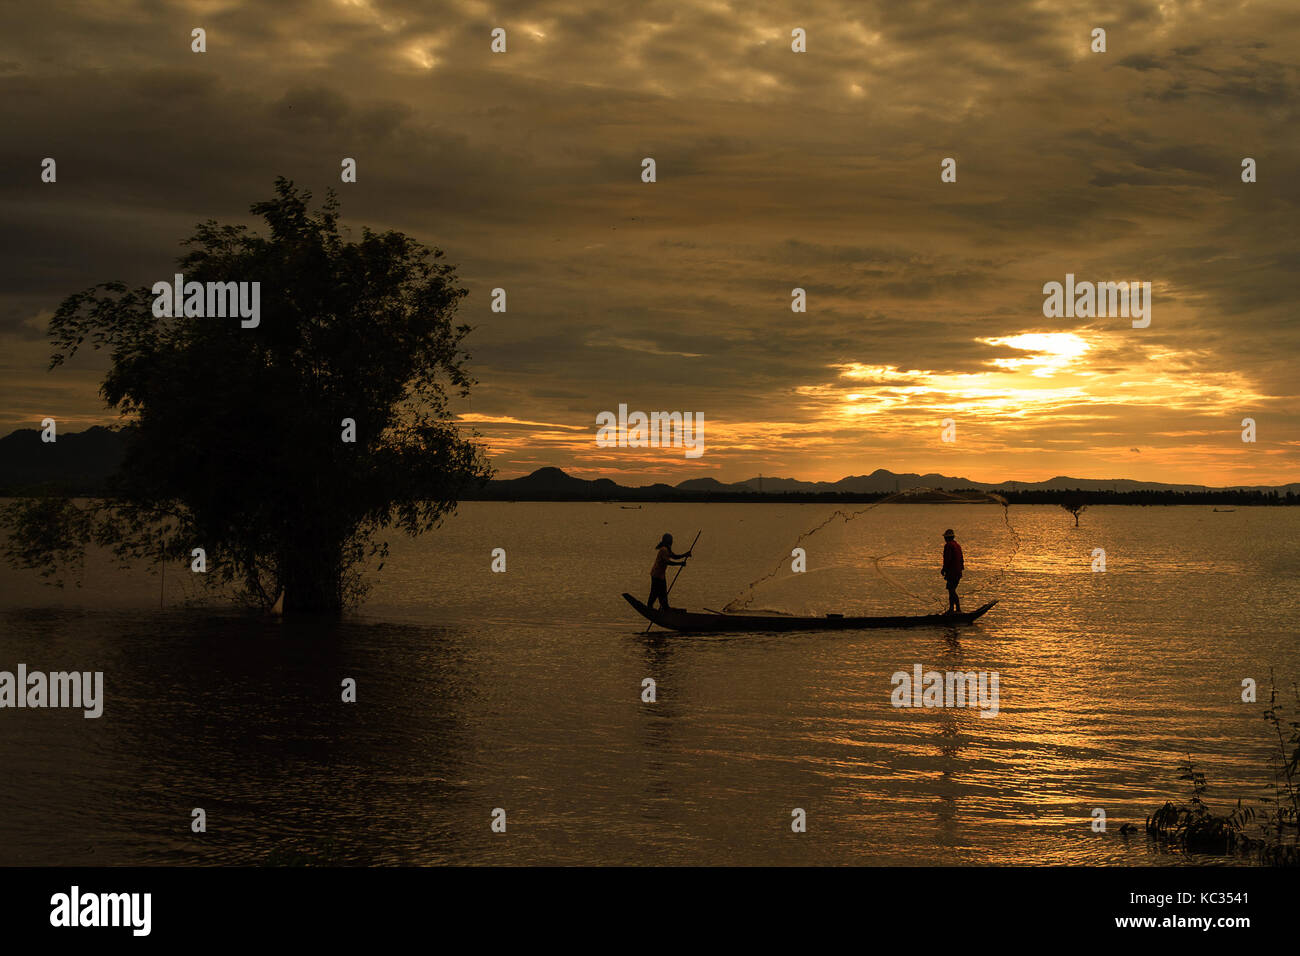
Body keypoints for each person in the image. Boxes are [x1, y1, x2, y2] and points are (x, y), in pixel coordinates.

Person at [648, 533, 693, 610]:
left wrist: (685, 555)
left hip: (661, 575)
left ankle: (665, 607)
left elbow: (674, 556)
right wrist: (680, 563)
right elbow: (667, 562)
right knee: (655, 591)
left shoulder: (667, 549)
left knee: (663, 592)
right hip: (657, 575)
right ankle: (649, 606)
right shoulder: (664, 550)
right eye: (670, 541)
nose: (671, 542)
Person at [941, 528, 964, 614]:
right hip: (958, 572)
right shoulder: (957, 545)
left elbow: (948, 559)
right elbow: (961, 559)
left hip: (952, 572)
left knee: (951, 590)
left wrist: (944, 569)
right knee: (952, 589)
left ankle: (955, 609)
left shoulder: (948, 546)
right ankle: (954, 609)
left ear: (947, 538)